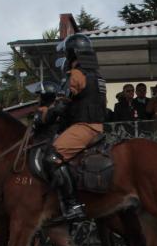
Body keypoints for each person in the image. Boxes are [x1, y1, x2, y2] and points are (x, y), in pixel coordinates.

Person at [36, 33, 106, 222]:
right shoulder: (97, 76)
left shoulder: (76, 74)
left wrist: (43, 117)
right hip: (97, 125)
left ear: (72, 54)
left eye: (67, 54)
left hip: (84, 126)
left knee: (51, 157)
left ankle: (72, 204)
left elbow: (60, 105)